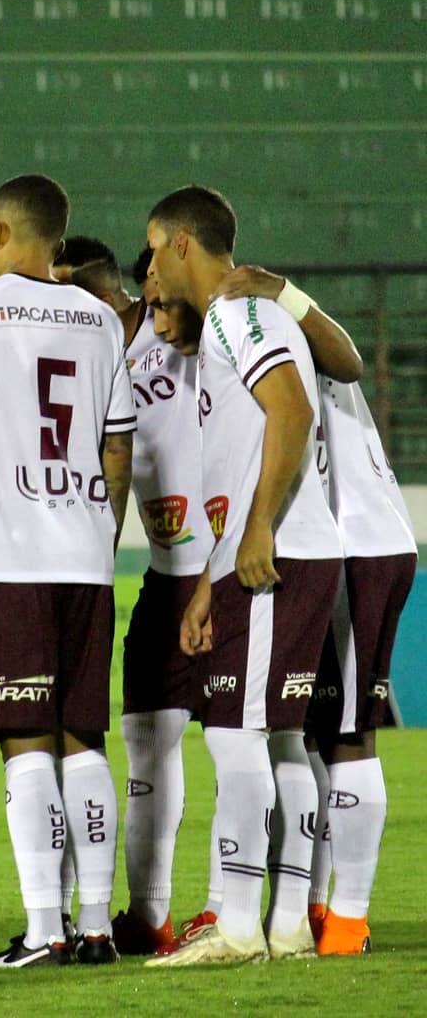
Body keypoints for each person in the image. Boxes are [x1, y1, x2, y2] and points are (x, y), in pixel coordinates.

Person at [0, 174, 135, 969]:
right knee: (83, 739)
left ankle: (45, 927)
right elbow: (117, 448)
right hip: (84, 553)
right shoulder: (101, 318)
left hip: (9, 553)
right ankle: (95, 925)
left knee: (24, 740)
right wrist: (99, 533)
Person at [143, 186, 346, 967]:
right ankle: (287, 925)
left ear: (182, 243)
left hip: (275, 550)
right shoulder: (244, 317)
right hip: (262, 552)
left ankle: (235, 927)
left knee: (235, 735)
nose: (151, 267)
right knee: (280, 739)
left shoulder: (235, 312)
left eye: (154, 249)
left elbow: (291, 410)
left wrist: (258, 525)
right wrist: (208, 581)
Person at [212, 266, 415, 956]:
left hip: (361, 540)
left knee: (349, 731)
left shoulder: (285, 328)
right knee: (305, 728)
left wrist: (283, 291)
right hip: (326, 542)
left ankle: (348, 920)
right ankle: (312, 902)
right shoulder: (265, 340)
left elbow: (349, 360)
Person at [56, 238, 211, 955]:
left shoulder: (177, 328)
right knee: (145, 737)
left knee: (254, 740)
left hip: (229, 564)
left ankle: (247, 908)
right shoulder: (88, 369)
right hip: (165, 570)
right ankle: (149, 915)